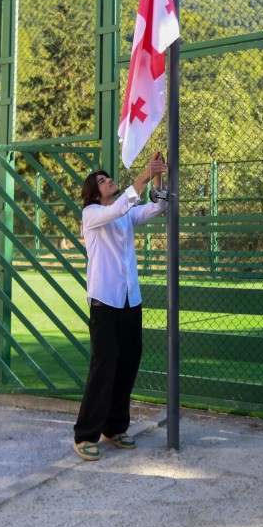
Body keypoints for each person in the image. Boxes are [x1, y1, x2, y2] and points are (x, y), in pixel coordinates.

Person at [73, 150, 168, 461]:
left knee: (127, 362)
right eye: (102, 180)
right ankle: (85, 434)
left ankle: (114, 428)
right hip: (105, 303)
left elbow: (159, 207)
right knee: (104, 366)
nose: (108, 180)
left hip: (130, 300)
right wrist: (142, 175)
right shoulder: (91, 215)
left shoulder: (124, 212)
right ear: (93, 192)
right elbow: (117, 209)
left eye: (108, 177)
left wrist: (157, 175)